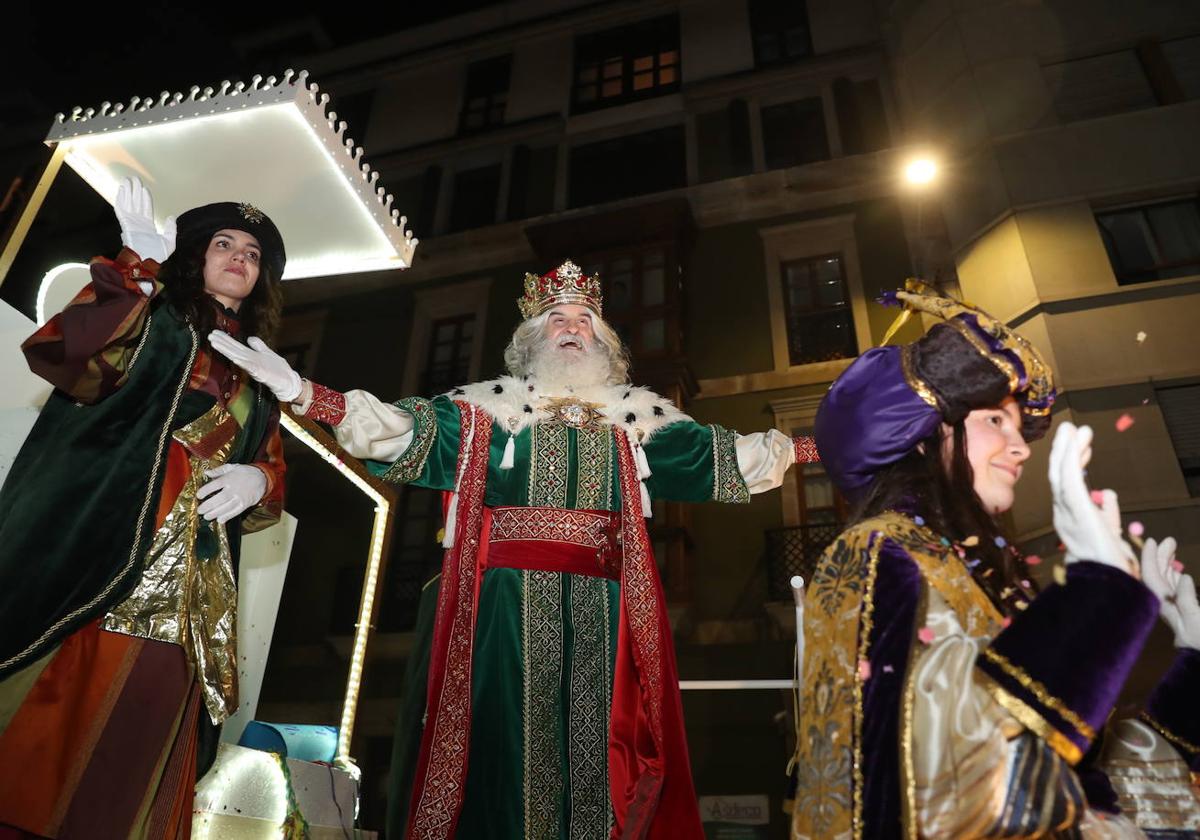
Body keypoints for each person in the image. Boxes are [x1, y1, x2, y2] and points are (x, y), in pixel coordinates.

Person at [212, 259, 820, 839]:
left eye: (585, 320)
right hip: (501, 611)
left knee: (600, 755)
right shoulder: (487, 413)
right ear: (532, 338)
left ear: (604, 341)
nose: (572, 329)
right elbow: (399, 431)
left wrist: (830, 444)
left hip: (604, 614)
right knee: (502, 748)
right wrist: (303, 391)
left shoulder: (639, 422)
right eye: (559, 319)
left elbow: (728, 457)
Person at [790, 285, 1200, 838]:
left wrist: (1190, 662)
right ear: (926, 435)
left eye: (1018, 426)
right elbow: (941, 773)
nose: (1021, 446)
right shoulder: (878, 552)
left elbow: (1088, 788)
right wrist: (1095, 600)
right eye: (993, 421)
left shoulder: (982, 573)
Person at [0, 179, 288, 839]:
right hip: (105, 552)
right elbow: (68, 358)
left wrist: (260, 482)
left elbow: (272, 469)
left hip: (195, 588)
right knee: (52, 728)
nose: (240, 256)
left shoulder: (258, 372)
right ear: (195, 256)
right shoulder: (154, 314)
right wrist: (136, 269)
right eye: (223, 242)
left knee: (146, 735)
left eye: (252, 251)